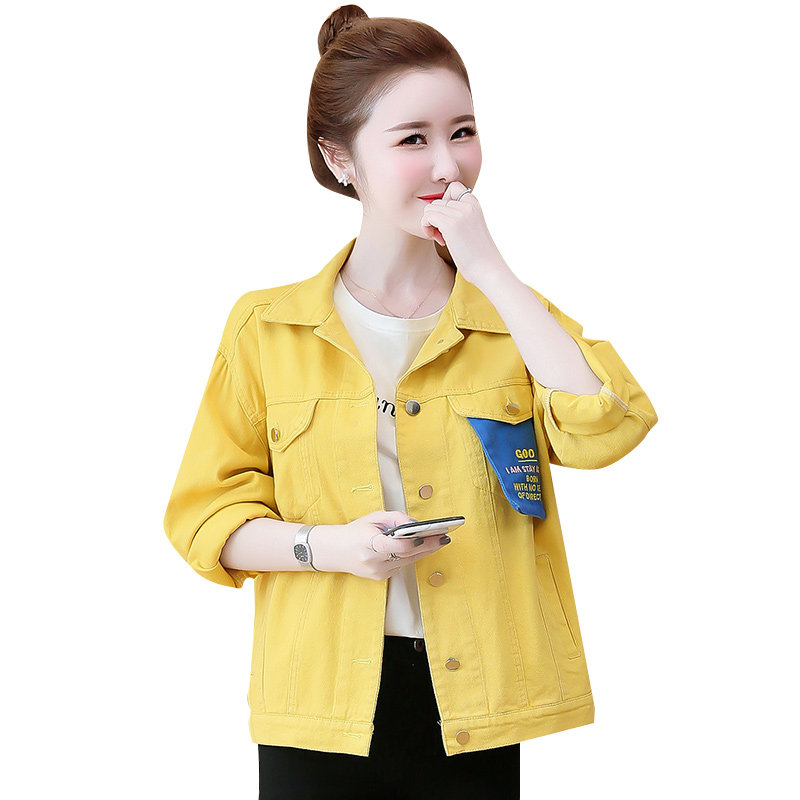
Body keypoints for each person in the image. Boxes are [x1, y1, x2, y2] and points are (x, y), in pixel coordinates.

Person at [163, 6, 658, 799]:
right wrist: (332, 548)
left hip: (480, 696)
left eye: (463, 131)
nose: (448, 164)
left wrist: (489, 269)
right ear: (341, 158)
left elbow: (606, 427)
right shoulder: (266, 327)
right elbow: (204, 518)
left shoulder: (512, 321)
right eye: (412, 139)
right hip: (321, 700)